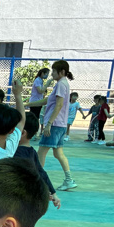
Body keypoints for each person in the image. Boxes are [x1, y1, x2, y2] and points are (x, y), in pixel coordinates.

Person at [14, 113, 63, 227]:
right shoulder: (31, 152)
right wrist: (52, 192)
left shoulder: (15, 153)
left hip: (19, 204)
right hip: (28, 205)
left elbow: (37, 175)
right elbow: (42, 173)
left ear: (22, 133)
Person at [35, 60, 77, 191]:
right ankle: (69, 180)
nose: (51, 73)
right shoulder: (63, 84)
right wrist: (27, 104)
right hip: (60, 125)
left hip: (54, 124)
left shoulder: (61, 84)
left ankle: (38, 181)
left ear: (62, 72)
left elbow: (58, 105)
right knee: (58, 153)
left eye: (53, 71)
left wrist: (48, 124)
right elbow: (48, 101)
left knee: (41, 152)